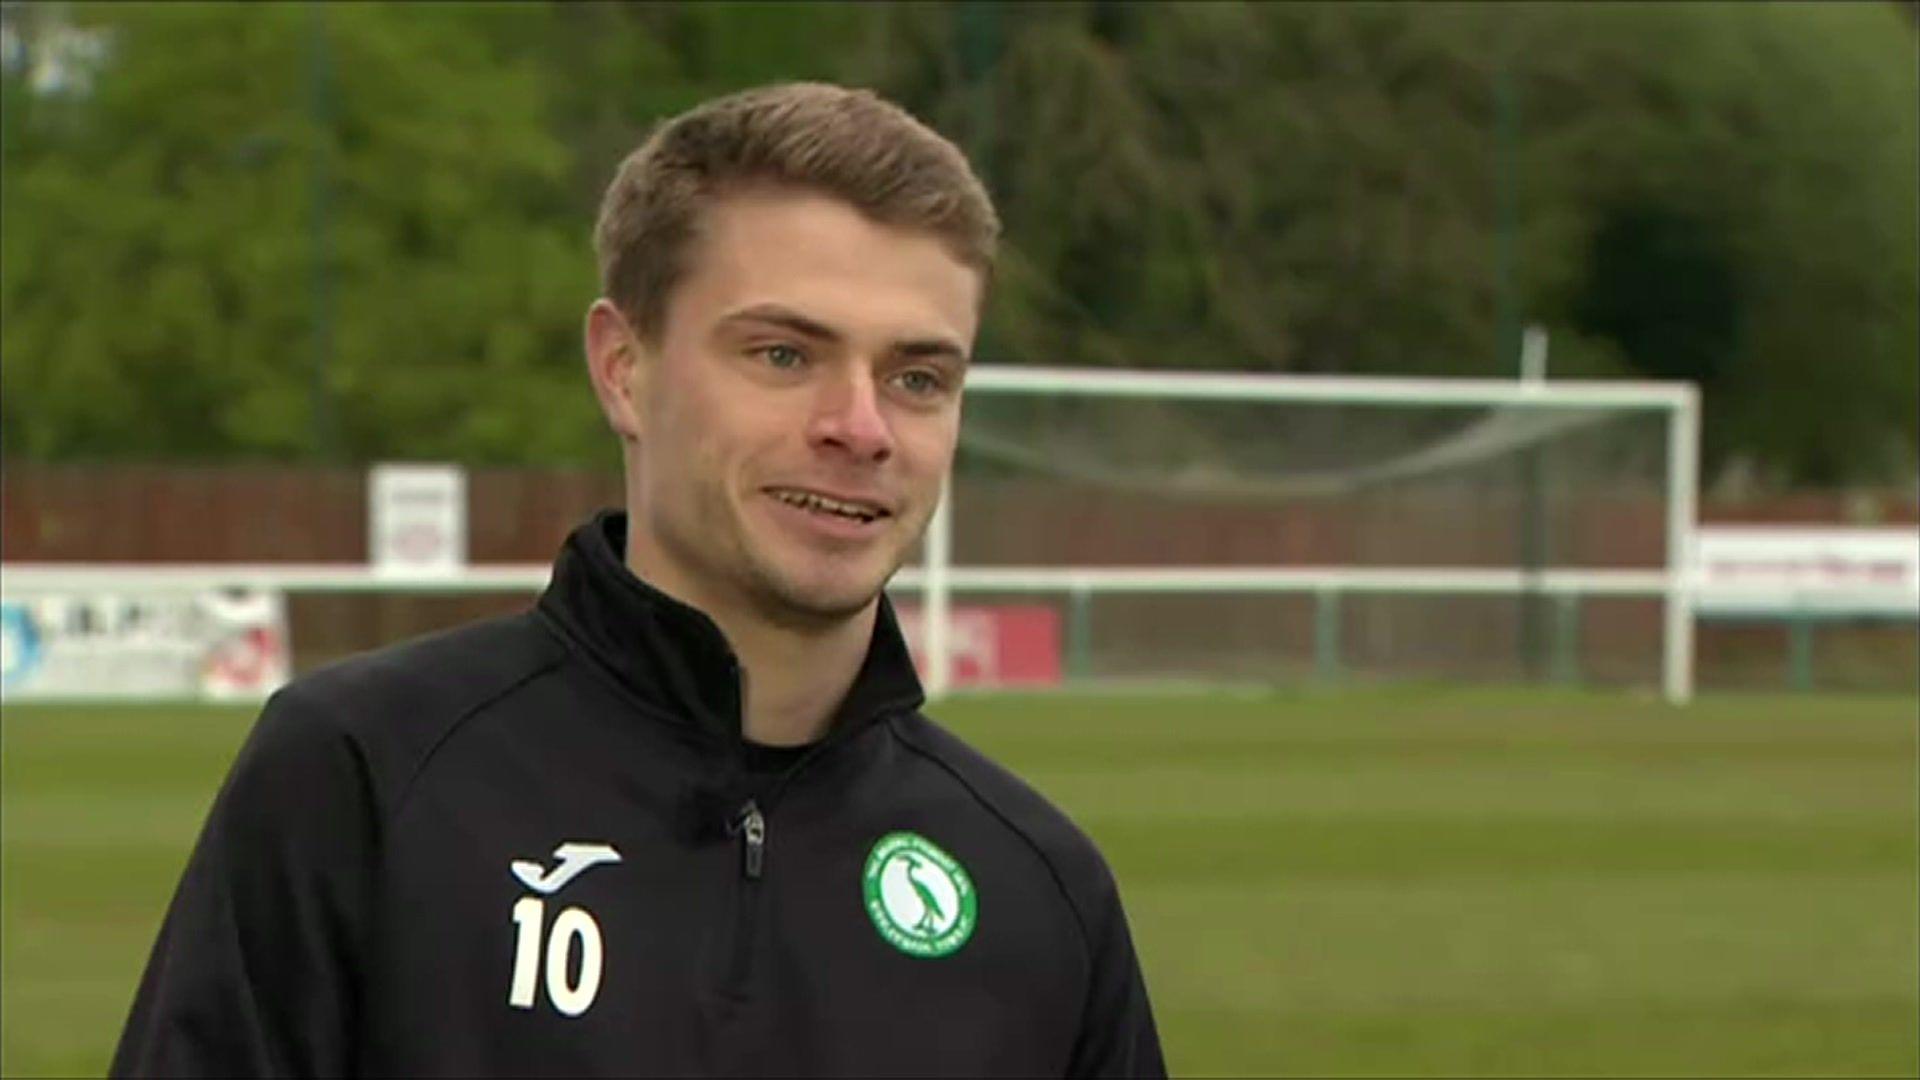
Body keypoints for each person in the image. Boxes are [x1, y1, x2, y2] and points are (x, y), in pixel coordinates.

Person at [112, 82, 1165, 1078]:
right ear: (624, 367)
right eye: (784, 356)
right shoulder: (364, 777)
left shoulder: (1042, 894)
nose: (861, 427)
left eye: (918, 377)